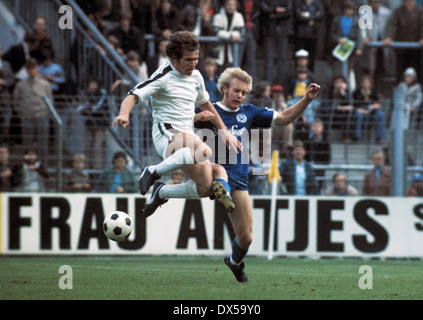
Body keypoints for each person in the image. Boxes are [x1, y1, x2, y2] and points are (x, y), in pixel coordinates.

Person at [194, 67, 320, 282]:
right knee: (210, 181)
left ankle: (233, 262)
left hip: (238, 182)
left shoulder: (249, 112)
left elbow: (283, 118)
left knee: (246, 238)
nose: (240, 96)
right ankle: (169, 185)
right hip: (211, 173)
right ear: (225, 89)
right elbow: (178, 123)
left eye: (244, 92)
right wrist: (197, 117)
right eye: (236, 91)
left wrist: (306, 99)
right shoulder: (209, 110)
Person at [112, 31, 242, 217]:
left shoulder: (196, 76)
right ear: (174, 58)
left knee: (205, 187)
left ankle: (161, 191)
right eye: (188, 59)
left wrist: (224, 131)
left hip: (187, 141)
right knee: (205, 151)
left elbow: (205, 103)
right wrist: (124, 114)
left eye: (196, 58)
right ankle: (153, 171)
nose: (194, 63)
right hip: (166, 134)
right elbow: (133, 95)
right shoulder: (163, 76)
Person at [13, 58, 53, 165]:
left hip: (42, 115)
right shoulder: (21, 85)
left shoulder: (45, 84)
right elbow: (16, 101)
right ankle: (27, 168)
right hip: (27, 116)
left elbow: (50, 101)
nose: (32, 71)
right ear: (26, 70)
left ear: (37, 69)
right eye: (29, 69)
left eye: (34, 68)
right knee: (27, 144)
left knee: (42, 144)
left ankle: (43, 168)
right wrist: (22, 112)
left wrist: (45, 112)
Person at [383, 0, 423, 82]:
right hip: (401, 47)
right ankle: (400, 91)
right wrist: (388, 37)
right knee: (400, 71)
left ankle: (417, 92)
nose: (409, 3)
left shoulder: (420, 11)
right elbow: (391, 25)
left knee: (417, 71)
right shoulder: (398, 11)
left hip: (416, 47)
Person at [259, 0, 294, 87]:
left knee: (282, 59)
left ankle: (280, 85)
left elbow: (289, 11)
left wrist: (274, 14)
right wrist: (277, 9)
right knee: (268, 59)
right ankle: (267, 86)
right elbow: (264, 9)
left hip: (283, 30)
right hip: (269, 30)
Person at [79, 76, 108, 170]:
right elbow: (81, 109)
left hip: (100, 124)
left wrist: (89, 109)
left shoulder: (102, 94)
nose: (91, 86)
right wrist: (89, 108)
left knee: (97, 147)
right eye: (90, 84)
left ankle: (97, 169)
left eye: (94, 84)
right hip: (89, 123)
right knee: (87, 147)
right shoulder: (86, 94)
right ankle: (86, 168)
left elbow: (97, 108)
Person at [295, 118, 331, 193]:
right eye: (314, 126)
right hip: (307, 166)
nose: (316, 128)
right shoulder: (306, 139)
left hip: (319, 168)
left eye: (318, 126)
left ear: (322, 128)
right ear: (311, 128)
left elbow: (327, 158)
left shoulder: (326, 142)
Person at [212, 0, 245, 73]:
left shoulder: (239, 17)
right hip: (219, 50)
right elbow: (218, 33)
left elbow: (240, 33)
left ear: (236, 6)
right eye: (229, 5)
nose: (231, 7)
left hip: (232, 52)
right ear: (225, 5)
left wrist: (230, 35)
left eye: (233, 5)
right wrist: (231, 36)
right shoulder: (218, 16)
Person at [0, 43, 15, 145]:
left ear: (0, 52)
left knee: (3, 122)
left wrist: (4, 82)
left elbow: (12, 78)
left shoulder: (6, 64)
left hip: (3, 98)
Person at [352, 75, 387, 143]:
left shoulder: (374, 93)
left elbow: (378, 105)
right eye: (364, 82)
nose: (366, 84)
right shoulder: (356, 93)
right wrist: (362, 110)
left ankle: (379, 137)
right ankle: (356, 137)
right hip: (360, 112)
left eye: (367, 82)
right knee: (358, 114)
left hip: (372, 112)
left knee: (380, 114)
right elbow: (354, 105)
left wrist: (371, 108)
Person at [294, 0, 324, 72]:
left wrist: (308, 15)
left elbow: (321, 15)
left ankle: (310, 73)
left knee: (311, 55)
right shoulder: (299, 3)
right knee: (299, 54)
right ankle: (298, 72)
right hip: (301, 33)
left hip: (313, 33)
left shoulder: (317, 3)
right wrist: (313, 16)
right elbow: (298, 15)